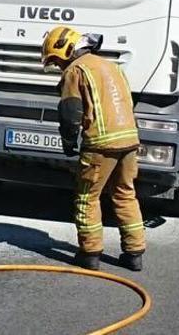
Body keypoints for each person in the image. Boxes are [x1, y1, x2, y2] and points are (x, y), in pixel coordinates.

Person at [42, 26, 146, 272]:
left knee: (88, 197)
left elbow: (70, 112)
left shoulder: (75, 70)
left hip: (101, 143)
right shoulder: (111, 66)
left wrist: (69, 142)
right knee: (125, 193)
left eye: (56, 60)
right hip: (129, 140)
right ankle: (134, 254)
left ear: (65, 51)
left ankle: (89, 253)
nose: (57, 66)